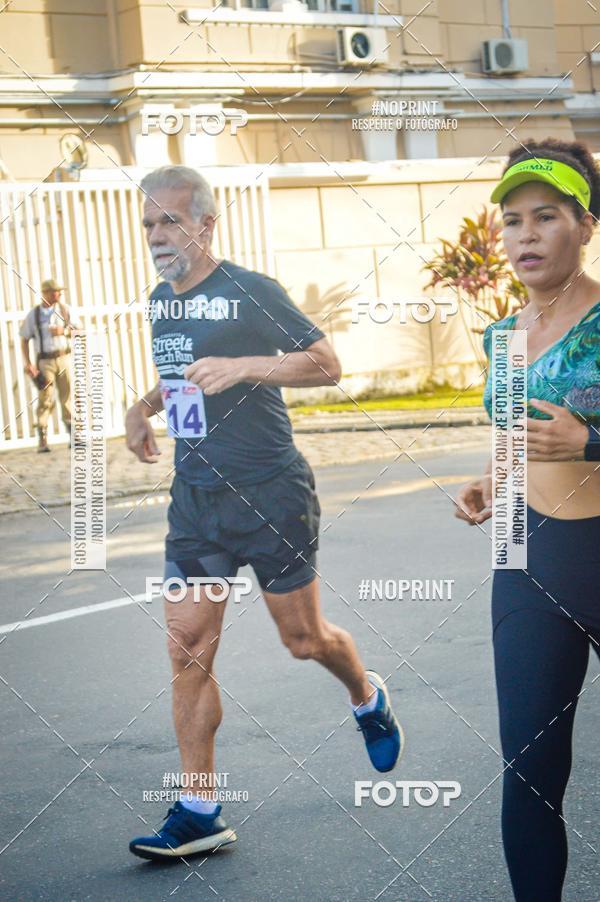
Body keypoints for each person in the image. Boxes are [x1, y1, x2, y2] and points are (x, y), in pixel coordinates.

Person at [125, 165, 403, 860]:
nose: (159, 235)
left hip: (271, 493)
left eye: (172, 221)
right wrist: (141, 407)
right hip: (196, 499)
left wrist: (247, 365)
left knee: (303, 640)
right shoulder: (163, 301)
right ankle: (200, 809)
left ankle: (367, 696)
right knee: (186, 645)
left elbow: (326, 362)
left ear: (207, 224)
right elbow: (179, 378)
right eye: (149, 223)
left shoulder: (249, 290)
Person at [455, 139, 600, 901]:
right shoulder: (502, 339)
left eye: (547, 216)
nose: (526, 236)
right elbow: (513, 436)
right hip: (529, 563)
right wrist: (488, 480)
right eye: (513, 221)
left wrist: (593, 440)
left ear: (585, 224)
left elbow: (574, 436)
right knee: (530, 771)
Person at [19, 278, 78, 452]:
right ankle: (42, 439)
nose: (58, 294)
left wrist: (65, 331)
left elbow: (80, 331)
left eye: (59, 291)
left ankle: (73, 436)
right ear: (45, 293)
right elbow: (24, 339)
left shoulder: (65, 311)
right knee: (46, 398)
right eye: (54, 291)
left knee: (67, 397)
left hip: (64, 357)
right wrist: (29, 364)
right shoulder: (34, 315)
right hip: (45, 361)